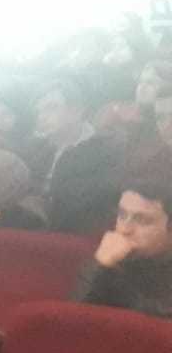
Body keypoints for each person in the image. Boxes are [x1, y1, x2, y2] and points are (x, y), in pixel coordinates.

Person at [30, 78, 123, 235]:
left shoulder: (105, 152)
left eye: (51, 108)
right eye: (39, 111)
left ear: (77, 111)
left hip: (75, 233)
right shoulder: (37, 149)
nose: (42, 117)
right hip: (34, 228)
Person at [75, 182, 172, 318]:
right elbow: (73, 321)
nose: (124, 229)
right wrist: (100, 265)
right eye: (122, 215)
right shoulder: (115, 258)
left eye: (142, 220)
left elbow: (159, 323)